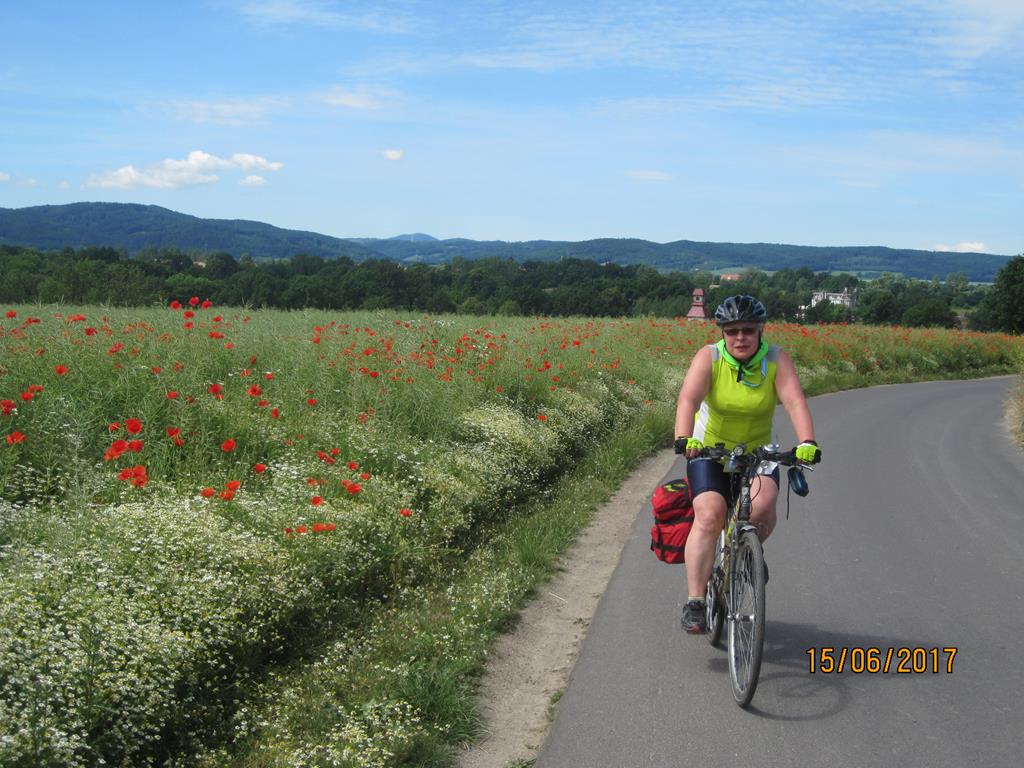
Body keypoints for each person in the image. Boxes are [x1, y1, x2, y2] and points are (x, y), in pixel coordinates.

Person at [673, 295, 821, 634]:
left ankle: (747, 552)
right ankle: (696, 602)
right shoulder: (709, 358)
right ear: (723, 333)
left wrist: (807, 442)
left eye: (748, 331)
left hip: (759, 450)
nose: (740, 337)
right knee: (709, 515)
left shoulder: (776, 359)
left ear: (760, 331)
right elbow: (688, 400)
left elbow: (795, 402)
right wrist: (685, 438)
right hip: (709, 449)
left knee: (762, 507)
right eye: (732, 331)